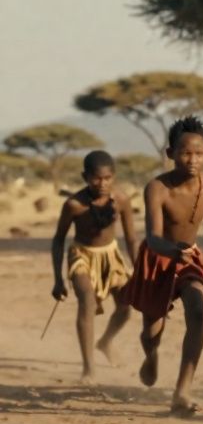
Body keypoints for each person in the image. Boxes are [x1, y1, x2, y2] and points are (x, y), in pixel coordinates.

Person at [123, 116, 203, 416]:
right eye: (185, 153)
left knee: (197, 311)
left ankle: (182, 390)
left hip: (190, 258)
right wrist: (171, 250)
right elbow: (152, 236)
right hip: (158, 257)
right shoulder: (157, 188)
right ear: (170, 154)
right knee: (151, 331)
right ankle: (151, 354)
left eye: (199, 153)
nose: (193, 159)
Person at [50, 151, 136, 381]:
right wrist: (58, 279)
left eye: (108, 178)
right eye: (96, 178)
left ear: (114, 177)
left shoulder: (122, 200)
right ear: (85, 176)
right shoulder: (74, 205)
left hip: (111, 255)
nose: (102, 184)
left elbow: (131, 239)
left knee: (126, 307)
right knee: (87, 301)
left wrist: (139, 270)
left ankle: (105, 341)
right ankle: (89, 367)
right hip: (82, 256)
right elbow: (58, 239)